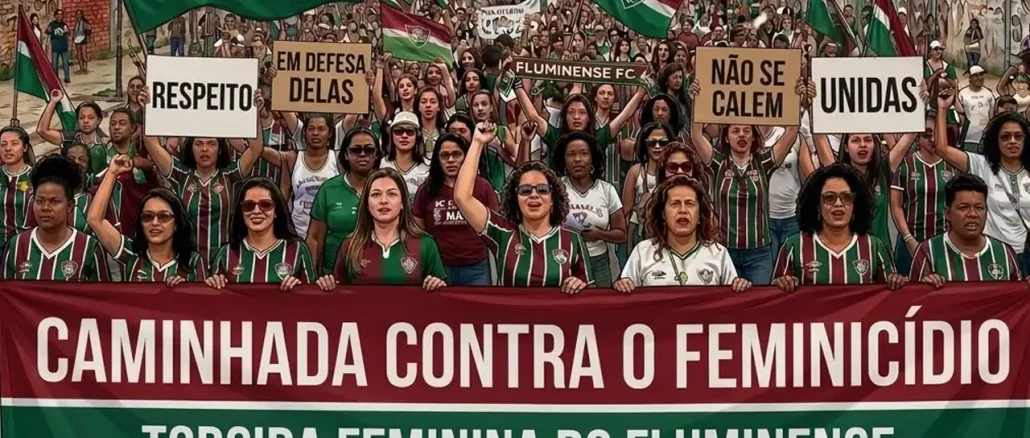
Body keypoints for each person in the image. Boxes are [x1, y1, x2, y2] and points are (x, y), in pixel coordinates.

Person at [455, 123, 591, 294]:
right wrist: (477, 142)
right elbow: (462, 197)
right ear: (515, 199)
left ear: (553, 199)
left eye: (542, 190)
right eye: (525, 190)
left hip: (557, 320)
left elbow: (590, 294)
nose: (534, 195)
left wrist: (579, 284)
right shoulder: (502, 232)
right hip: (511, 320)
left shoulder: (573, 240)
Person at [139, 87, 265, 264]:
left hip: (226, 261)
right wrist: (148, 108)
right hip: (187, 261)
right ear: (191, 148)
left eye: (211, 143)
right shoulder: (180, 174)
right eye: (198, 143)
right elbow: (150, 142)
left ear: (220, 149)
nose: (204, 149)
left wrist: (254, 112)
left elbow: (255, 149)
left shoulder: (231, 175)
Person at [933, 96, 1030, 274]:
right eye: (1005, 137)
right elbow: (942, 149)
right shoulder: (981, 165)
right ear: (996, 140)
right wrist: (942, 109)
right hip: (993, 254)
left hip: (1026, 255)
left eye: (1018, 136)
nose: (1013, 141)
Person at [772, 164, 906, 291]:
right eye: (829, 198)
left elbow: (889, 297)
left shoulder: (873, 246)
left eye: (846, 197)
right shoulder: (794, 246)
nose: (838, 204)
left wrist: (896, 281)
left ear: (856, 204)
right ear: (817, 204)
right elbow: (773, 295)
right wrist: (781, 283)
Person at [315, 168, 447, 290]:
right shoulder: (350, 245)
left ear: (402, 203)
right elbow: (339, 294)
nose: (384, 200)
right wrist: (328, 284)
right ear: (366, 203)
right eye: (376, 194)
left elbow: (439, 296)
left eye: (392, 194)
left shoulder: (425, 244)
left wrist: (436, 284)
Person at [615, 176, 751, 292]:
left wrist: (739, 287)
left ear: (700, 214)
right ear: (663, 214)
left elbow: (732, 305)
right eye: (675, 204)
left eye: (690, 204)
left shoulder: (718, 253)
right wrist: (622, 285)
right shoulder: (642, 251)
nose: (683, 210)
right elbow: (626, 301)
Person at [87, 155, 207, 284]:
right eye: (147, 217)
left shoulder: (192, 261)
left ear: (177, 223)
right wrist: (112, 173)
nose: (155, 223)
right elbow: (95, 219)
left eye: (164, 216)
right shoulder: (131, 254)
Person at [1, 156, 107, 280]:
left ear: (69, 206)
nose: (45, 207)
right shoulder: (17, 245)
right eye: (40, 201)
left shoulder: (89, 247)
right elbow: (5, 295)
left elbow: (102, 297)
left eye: (54, 201)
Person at [414, 134, 498, 286]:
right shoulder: (425, 191)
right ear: (437, 160)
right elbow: (418, 232)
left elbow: (496, 228)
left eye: (457, 154)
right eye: (444, 155)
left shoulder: (483, 187)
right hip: (438, 268)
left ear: (466, 156)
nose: (451, 160)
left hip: (476, 267)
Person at [911, 174, 1022, 286]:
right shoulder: (928, 251)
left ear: (986, 211)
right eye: (963, 208)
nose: (973, 214)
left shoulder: (1004, 252)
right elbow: (913, 298)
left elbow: (1019, 298)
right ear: (947, 213)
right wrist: (925, 286)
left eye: (979, 208)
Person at [206, 178, 316, 290]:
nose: (257, 211)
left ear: (276, 211)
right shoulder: (226, 254)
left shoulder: (297, 250)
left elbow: (310, 299)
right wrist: (213, 284)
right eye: (249, 206)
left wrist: (298, 288)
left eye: (265, 205)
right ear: (241, 212)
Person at [553, 132, 626, 287]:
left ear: (593, 158)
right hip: (564, 259)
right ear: (564, 160)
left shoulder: (607, 190)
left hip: (599, 261)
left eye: (584, 154)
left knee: (600, 307)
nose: (577, 159)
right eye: (571, 154)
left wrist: (599, 234)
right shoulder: (556, 189)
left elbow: (622, 234)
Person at [308, 128, 378, 276]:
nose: (363, 154)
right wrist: (312, 276)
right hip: (333, 278)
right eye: (356, 150)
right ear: (346, 154)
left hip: (377, 276)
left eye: (369, 150)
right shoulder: (329, 189)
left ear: (376, 154)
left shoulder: (387, 188)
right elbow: (314, 238)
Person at [381, 112, 431, 200]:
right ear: (391, 135)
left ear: (417, 135)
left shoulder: (428, 166)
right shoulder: (381, 164)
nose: (404, 136)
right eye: (399, 131)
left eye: (410, 132)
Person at [46, 9, 70, 83]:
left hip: (63, 47)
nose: (59, 16)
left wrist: (67, 31)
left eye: (61, 14)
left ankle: (67, 77)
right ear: (55, 15)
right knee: (54, 64)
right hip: (55, 47)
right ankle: (55, 78)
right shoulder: (52, 24)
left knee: (65, 63)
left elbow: (69, 34)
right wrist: (47, 45)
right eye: (58, 14)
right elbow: (48, 33)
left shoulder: (64, 25)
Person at [72, 10, 90, 74]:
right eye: (77, 14)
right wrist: (73, 38)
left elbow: (88, 30)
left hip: (83, 39)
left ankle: (85, 68)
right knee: (79, 55)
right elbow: (75, 32)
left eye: (79, 14)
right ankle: (81, 68)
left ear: (82, 15)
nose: (78, 15)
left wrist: (87, 38)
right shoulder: (76, 23)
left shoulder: (85, 23)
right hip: (77, 40)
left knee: (84, 55)